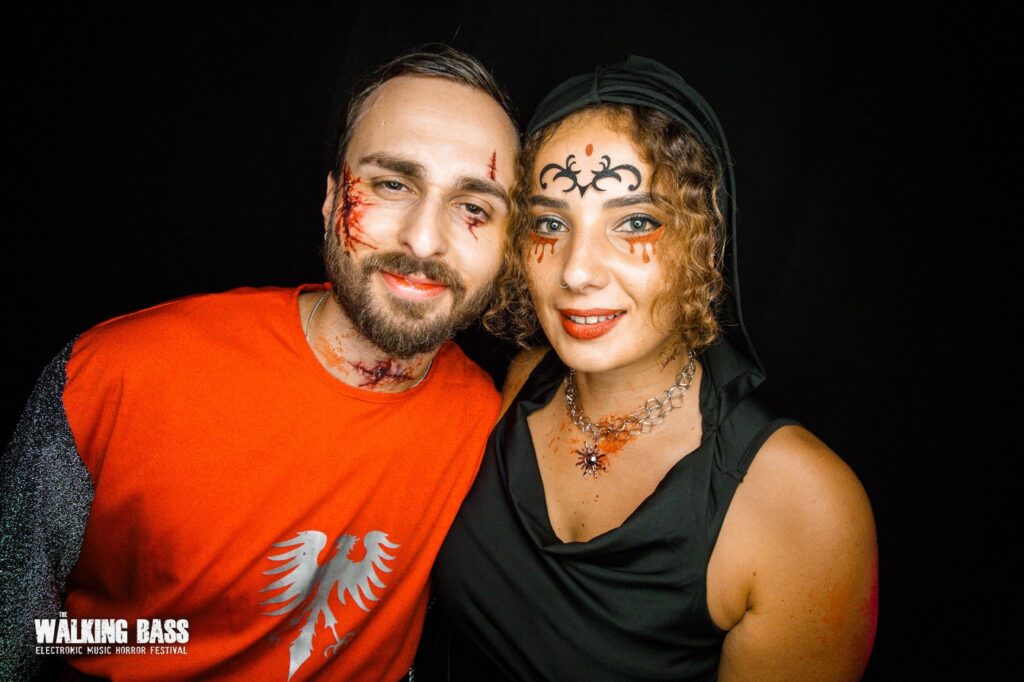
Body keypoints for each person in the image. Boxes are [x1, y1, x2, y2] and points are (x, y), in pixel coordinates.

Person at [0, 45, 518, 681]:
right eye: (391, 184)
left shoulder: (489, 422)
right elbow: (17, 633)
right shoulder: (114, 377)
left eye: (473, 208)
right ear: (331, 199)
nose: (425, 238)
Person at [431, 56, 878, 680]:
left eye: (635, 223)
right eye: (550, 223)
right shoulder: (518, 382)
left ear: (703, 239)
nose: (577, 271)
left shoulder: (803, 506)